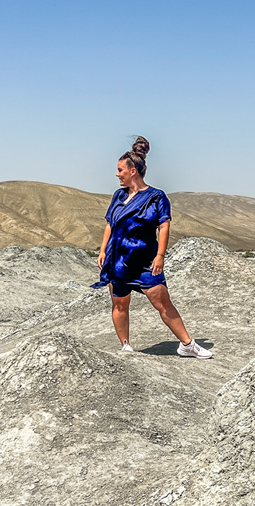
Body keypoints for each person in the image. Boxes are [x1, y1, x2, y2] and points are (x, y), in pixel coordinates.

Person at [91, 136, 212, 358]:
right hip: (118, 260)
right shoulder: (119, 195)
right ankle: (126, 345)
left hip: (145, 259)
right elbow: (110, 224)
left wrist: (160, 255)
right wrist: (102, 250)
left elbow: (164, 227)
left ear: (133, 171)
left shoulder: (156, 197)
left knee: (162, 301)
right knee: (119, 303)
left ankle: (187, 345)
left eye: (120, 170)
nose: (117, 174)